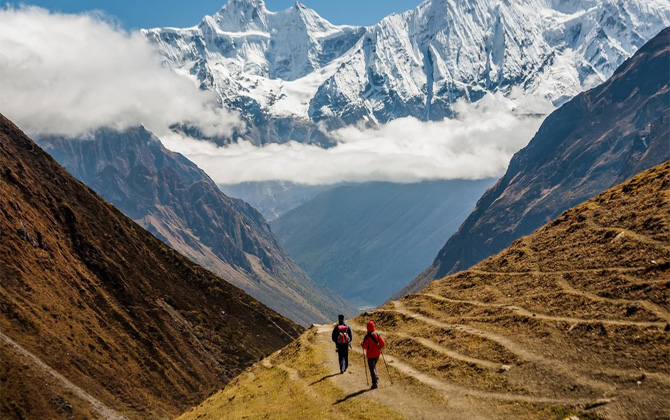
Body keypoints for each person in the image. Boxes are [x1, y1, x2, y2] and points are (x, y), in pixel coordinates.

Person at [361, 320, 385, 389]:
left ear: (367, 327)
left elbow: (365, 346)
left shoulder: (367, 336)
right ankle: (376, 376)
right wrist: (378, 348)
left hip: (370, 355)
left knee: (371, 369)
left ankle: (374, 383)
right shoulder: (377, 334)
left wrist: (361, 344)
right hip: (377, 354)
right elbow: (382, 344)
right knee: (373, 366)